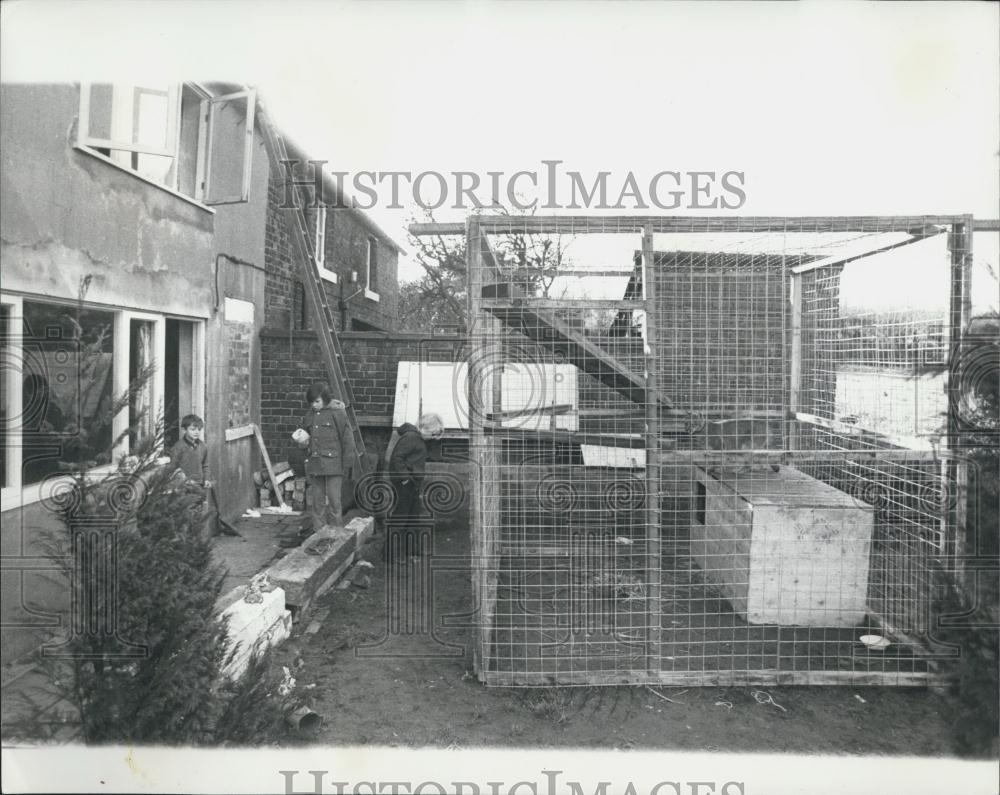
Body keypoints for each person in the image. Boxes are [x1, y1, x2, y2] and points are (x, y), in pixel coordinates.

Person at [295, 382, 354, 530]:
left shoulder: (337, 413)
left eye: (317, 401)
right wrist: (302, 440)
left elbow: (347, 438)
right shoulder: (310, 415)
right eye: (311, 402)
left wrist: (347, 463)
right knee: (317, 501)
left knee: (335, 501)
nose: (314, 405)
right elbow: (306, 435)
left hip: (334, 464)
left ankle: (336, 533)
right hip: (315, 463)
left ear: (326, 399)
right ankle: (318, 532)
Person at [386, 413, 444, 563]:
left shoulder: (420, 440)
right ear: (424, 428)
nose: (434, 437)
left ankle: (412, 551)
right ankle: (392, 554)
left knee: (413, 518)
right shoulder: (411, 438)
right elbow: (397, 458)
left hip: (414, 483)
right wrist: (405, 478)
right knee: (400, 518)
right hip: (404, 483)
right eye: (432, 434)